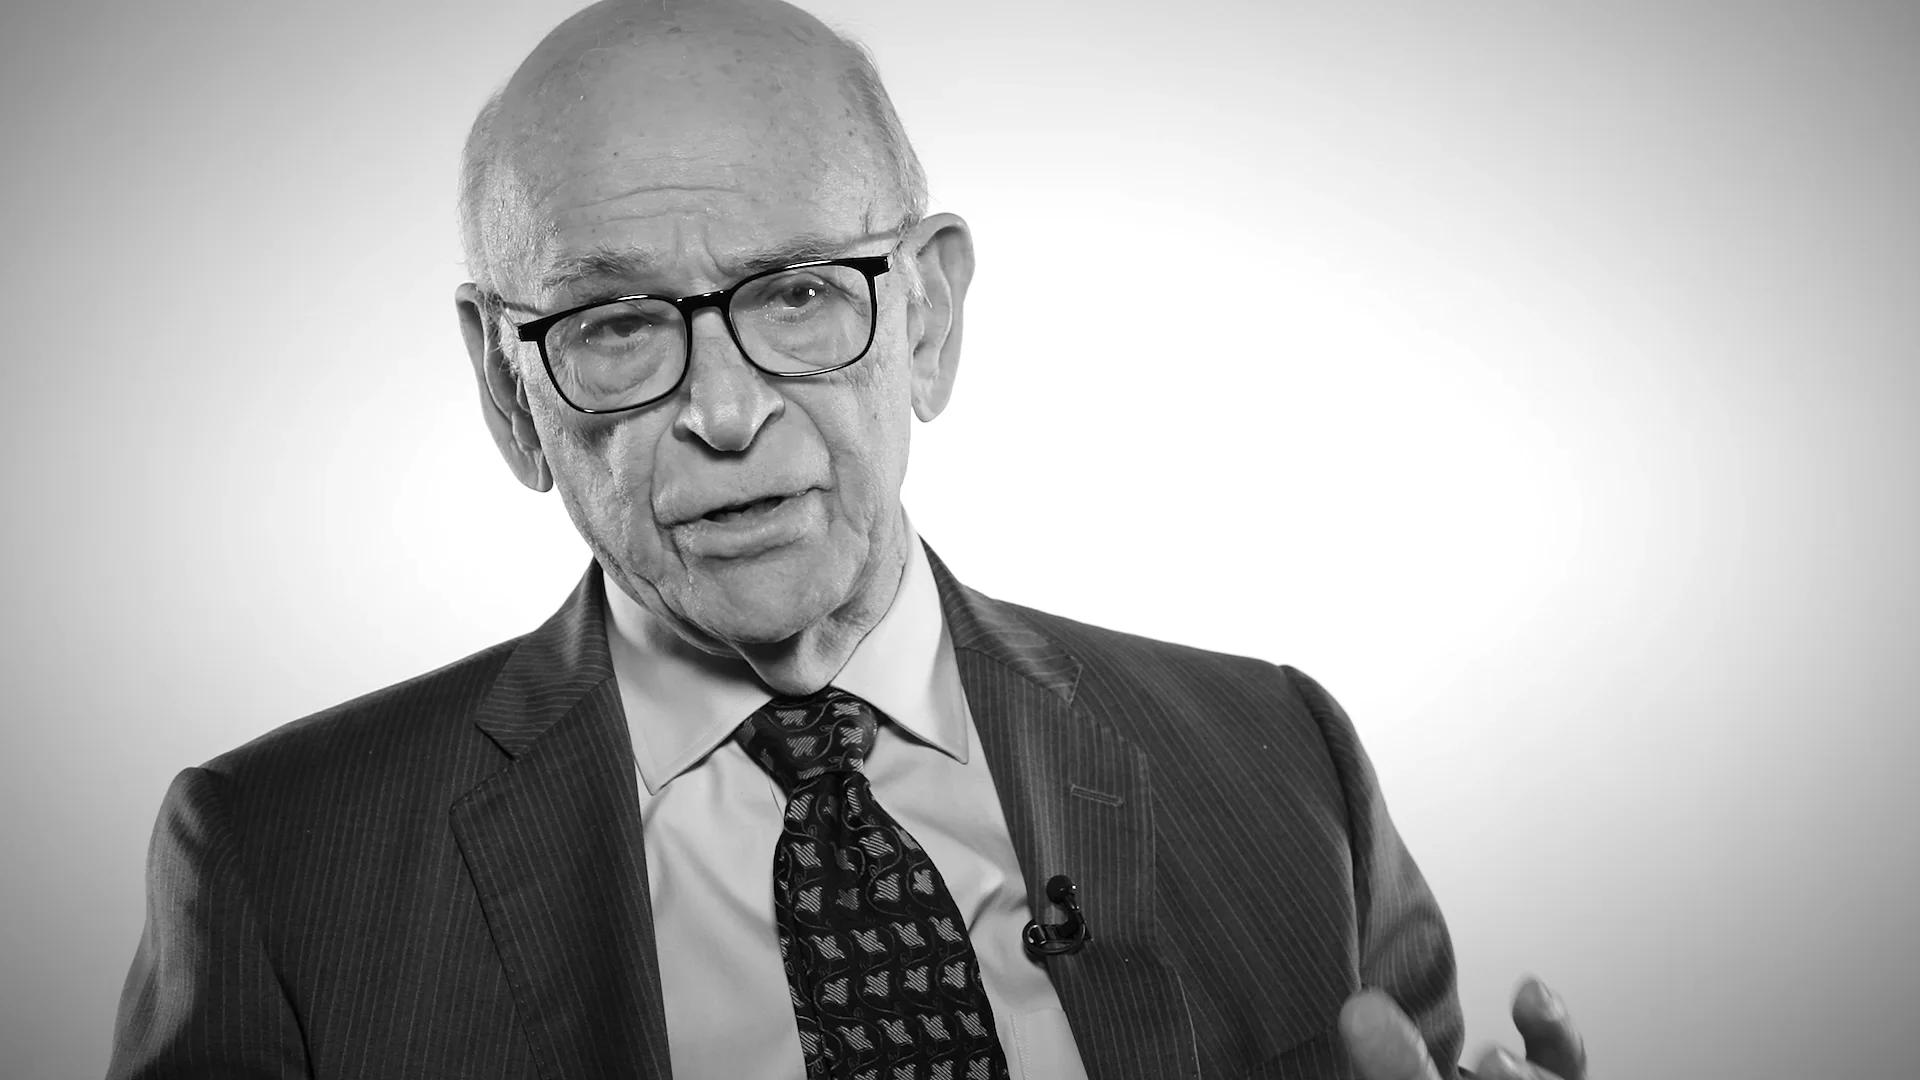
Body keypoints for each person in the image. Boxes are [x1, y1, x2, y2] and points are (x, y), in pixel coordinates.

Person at [108, 1, 1591, 1078]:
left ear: (928, 319)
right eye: (617, 324)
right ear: (509, 388)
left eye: (801, 292)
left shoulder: (1282, 761)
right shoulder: (275, 866)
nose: (726, 410)